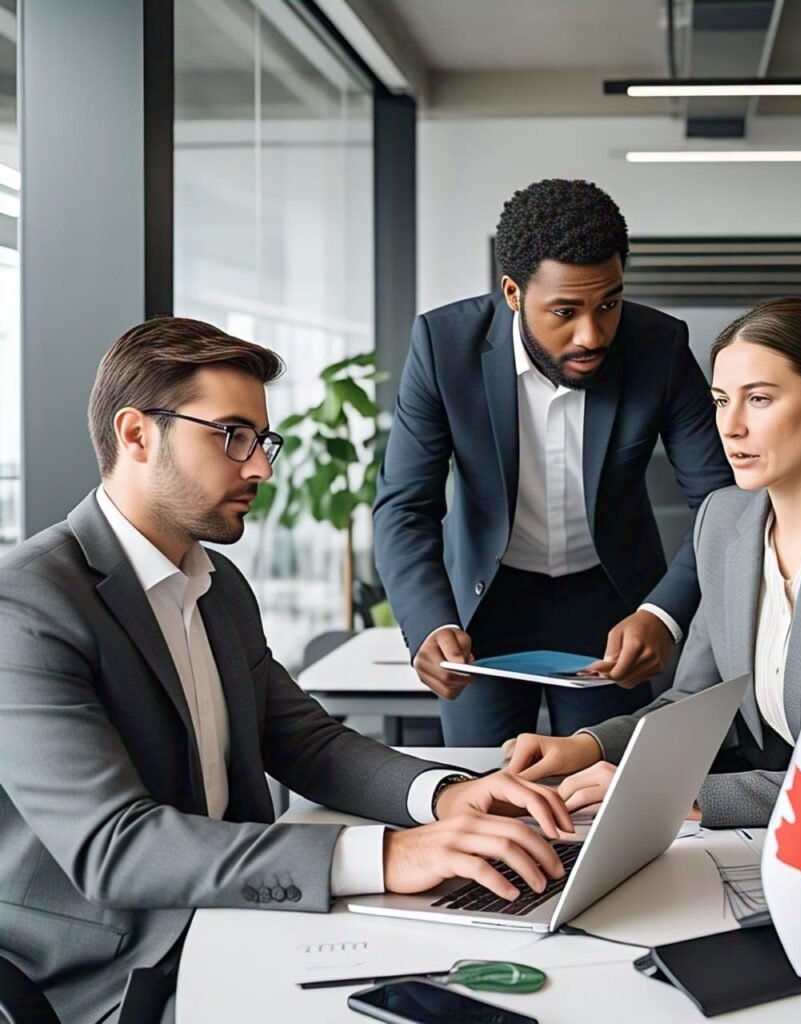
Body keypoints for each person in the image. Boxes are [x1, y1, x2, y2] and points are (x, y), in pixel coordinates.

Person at [0, 318, 574, 1024]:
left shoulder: (220, 586)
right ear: (137, 434)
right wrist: (388, 855)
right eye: (231, 436)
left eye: (262, 441)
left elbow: (305, 740)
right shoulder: (26, 603)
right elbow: (115, 848)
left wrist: (447, 796)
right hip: (119, 972)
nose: (261, 468)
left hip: (245, 915)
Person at [506, 296, 801, 827]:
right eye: (722, 401)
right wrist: (589, 747)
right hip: (777, 831)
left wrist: (678, 795)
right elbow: (697, 700)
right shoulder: (724, 519)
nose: (731, 426)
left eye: (761, 399)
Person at [373, 179, 733, 746]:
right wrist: (429, 624)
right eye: (564, 311)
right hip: (485, 608)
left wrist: (664, 613)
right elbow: (404, 506)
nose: (592, 334)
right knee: (484, 783)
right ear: (513, 292)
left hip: (613, 607)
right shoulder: (444, 346)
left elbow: (723, 503)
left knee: (607, 789)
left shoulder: (658, 347)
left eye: (609, 303)